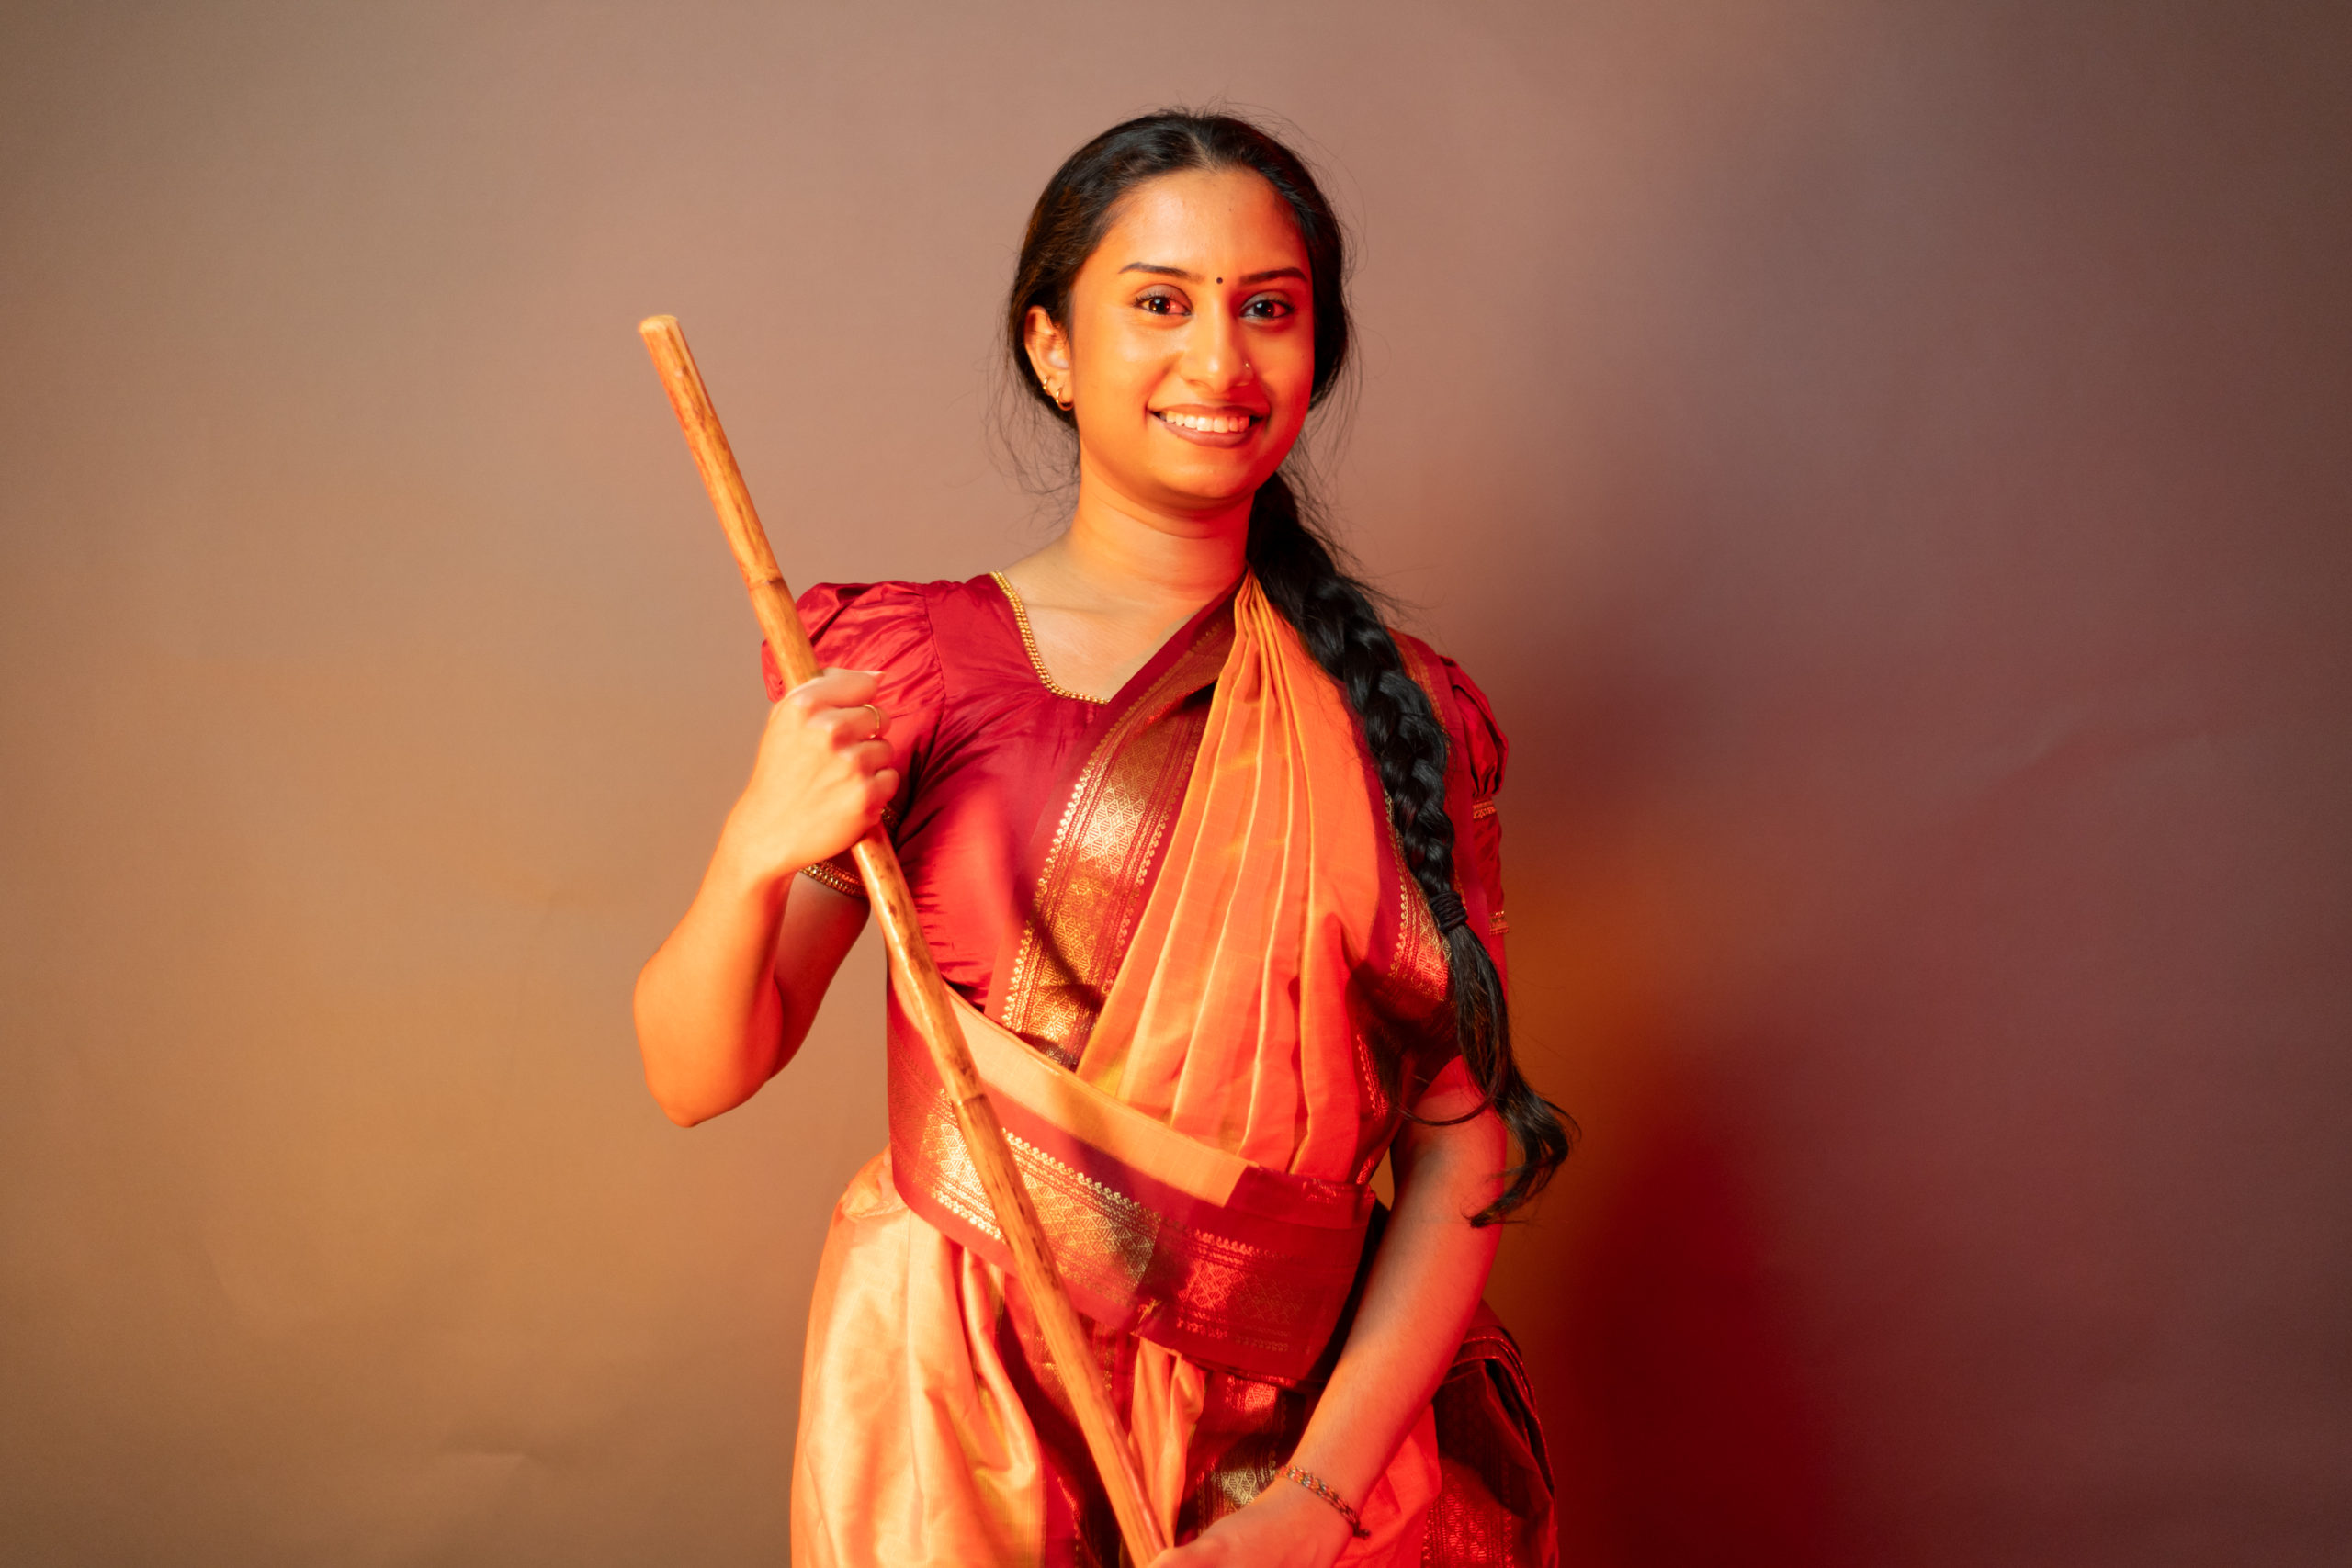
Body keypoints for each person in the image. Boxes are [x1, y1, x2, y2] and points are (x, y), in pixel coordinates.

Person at [633, 109, 1571, 1568]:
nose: (1219, 361)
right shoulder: (908, 668)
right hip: (967, 1413)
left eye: (1269, 309)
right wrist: (755, 846)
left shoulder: (1410, 717)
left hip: (1302, 1422)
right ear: (1052, 349)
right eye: (1158, 305)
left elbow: (1464, 1147)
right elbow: (698, 1073)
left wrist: (1312, 1510)